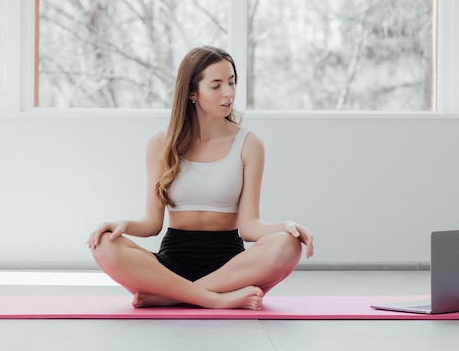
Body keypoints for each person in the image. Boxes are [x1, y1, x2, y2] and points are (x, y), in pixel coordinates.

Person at [87, 46, 314, 310]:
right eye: (216, 85)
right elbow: (152, 223)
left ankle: (174, 295)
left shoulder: (249, 144)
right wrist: (121, 224)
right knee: (103, 244)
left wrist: (287, 227)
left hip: (229, 265)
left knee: (288, 245)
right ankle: (212, 298)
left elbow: (250, 226)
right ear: (192, 92)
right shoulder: (160, 144)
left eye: (231, 83)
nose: (228, 93)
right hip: (172, 261)